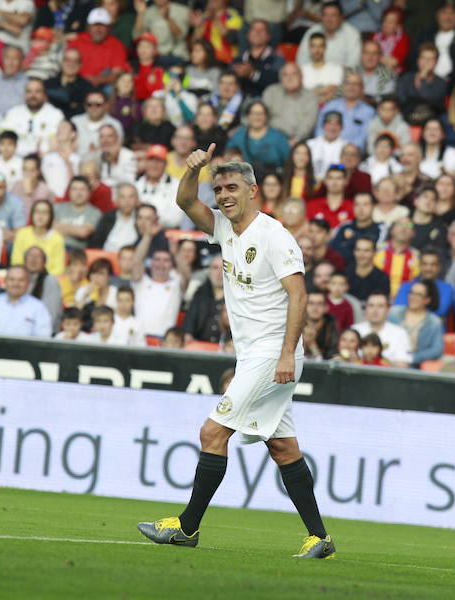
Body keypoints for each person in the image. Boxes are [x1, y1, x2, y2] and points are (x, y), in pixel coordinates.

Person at [138, 143, 336, 559]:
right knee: (283, 447)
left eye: (231, 187)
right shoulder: (224, 228)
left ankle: (187, 527)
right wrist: (193, 169)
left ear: (253, 191)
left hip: (272, 354)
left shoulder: (274, 236)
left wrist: (286, 354)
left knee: (212, 433)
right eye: (219, 188)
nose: (223, 195)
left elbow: (298, 297)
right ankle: (320, 538)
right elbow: (185, 199)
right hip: (254, 355)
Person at [387, 279, 444, 366]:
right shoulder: (394, 313)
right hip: (389, 361)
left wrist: (411, 358)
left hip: (416, 366)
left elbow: (436, 350)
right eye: (411, 292)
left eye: (418, 294)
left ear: (427, 300)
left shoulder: (434, 321)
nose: (412, 297)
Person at [0, 265, 53, 337]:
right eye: (12, 279)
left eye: (21, 280)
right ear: (5, 281)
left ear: (28, 283)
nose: (16, 284)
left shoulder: (39, 308)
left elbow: (43, 337)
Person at [352, 292, 411, 368]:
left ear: (388, 309)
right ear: (366, 308)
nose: (375, 310)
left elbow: (403, 367)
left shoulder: (400, 333)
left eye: (380, 306)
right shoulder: (354, 330)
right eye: (371, 306)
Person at [10, 200, 67, 275]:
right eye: (37, 212)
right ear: (32, 214)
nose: (40, 216)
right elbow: (16, 262)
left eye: (45, 212)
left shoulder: (57, 238)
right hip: (24, 278)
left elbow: (59, 269)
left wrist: (43, 278)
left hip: (46, 278)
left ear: (51, 216)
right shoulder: (22, 233)